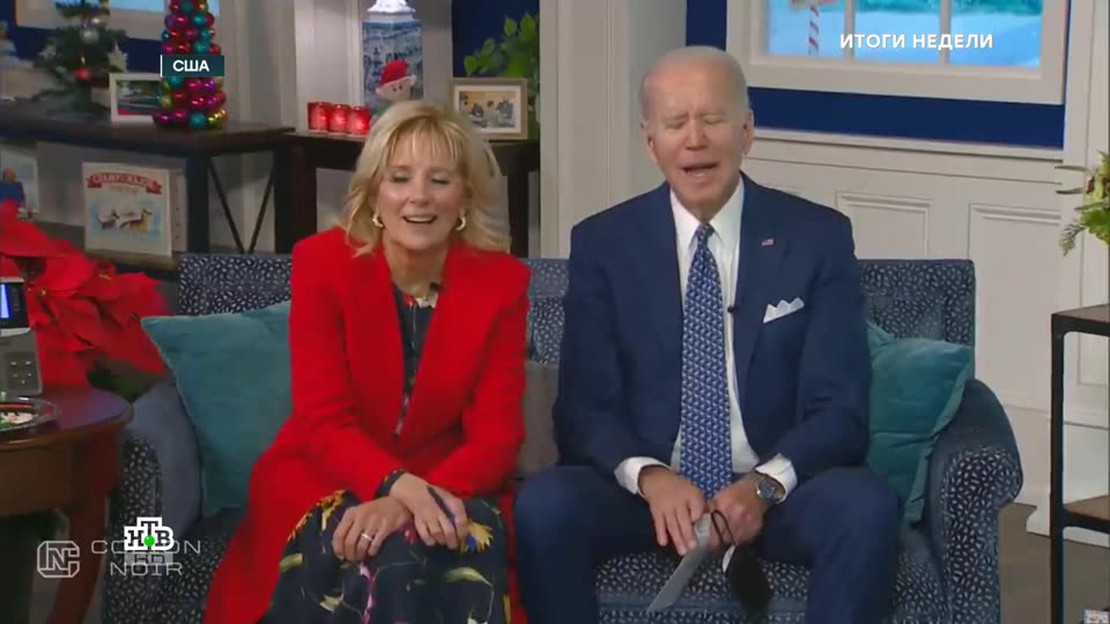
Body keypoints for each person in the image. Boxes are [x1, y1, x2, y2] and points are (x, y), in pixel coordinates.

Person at [514, 46, 901, 624]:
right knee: (545, 505)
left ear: (746, 130)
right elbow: (583, 410)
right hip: (649, 497)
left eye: (713, 119)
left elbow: (840, 409)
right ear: (651, 143)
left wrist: (762, 487)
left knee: (866, 507)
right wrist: (652, 478)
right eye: (675, 123)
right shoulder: (604, 244)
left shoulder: (816, 237)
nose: (694, 140)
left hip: (775, 493)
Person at [204, 100, 531, 624]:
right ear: (375, 191)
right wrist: (395, 485)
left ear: (465, 196)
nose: (419, 196)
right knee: (379, 549)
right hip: (327, 472)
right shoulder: (322, 265)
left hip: (447, 479)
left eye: (440, 180)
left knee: (431, 543)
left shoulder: (502, 286)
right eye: (400, 178)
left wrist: (407, 499)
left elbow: (497, 439)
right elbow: (323, 420)